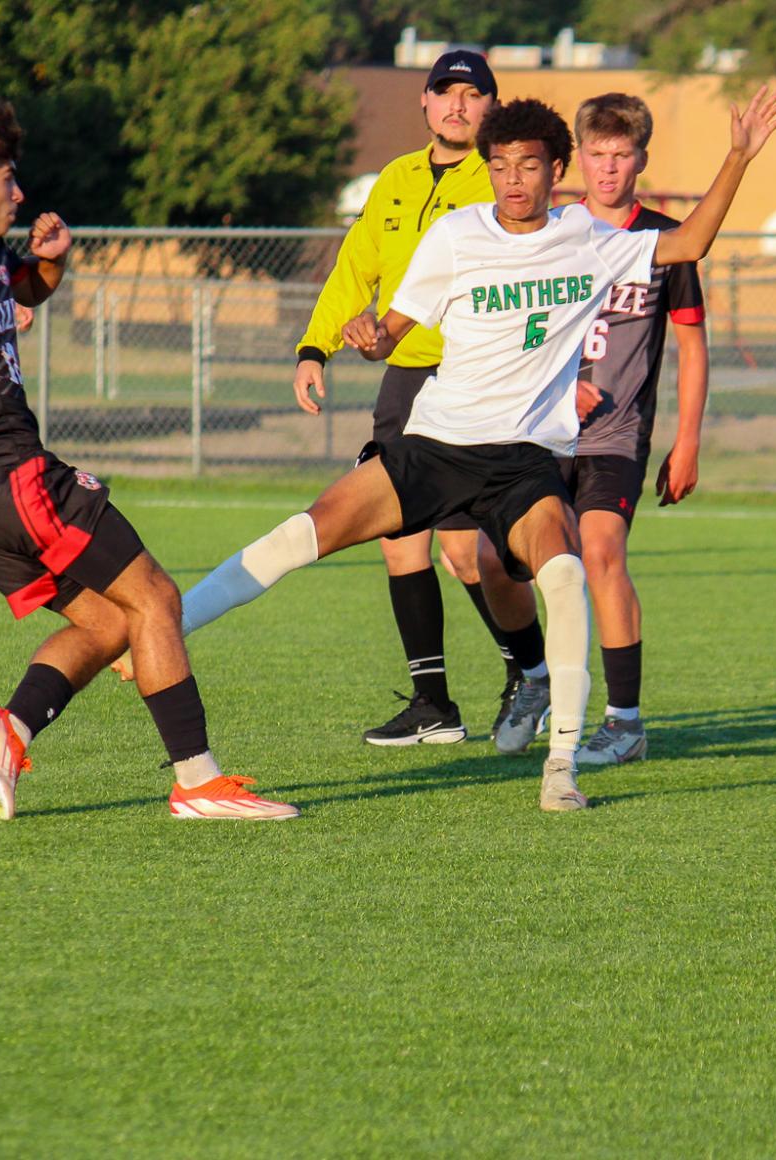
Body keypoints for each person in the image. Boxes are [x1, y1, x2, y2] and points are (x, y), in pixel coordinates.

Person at [177, 90, 776, 812]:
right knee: (300, 534)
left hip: (522, 461)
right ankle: (167, 626)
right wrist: (370, 336)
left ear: (556, 170)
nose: (513, 181)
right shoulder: (458, 234)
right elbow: (396, 329)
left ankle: (561, 769)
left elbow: (689, 244)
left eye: (528, 166)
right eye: (500, 166)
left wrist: (740, 154)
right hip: (434, 446)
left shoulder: (586, 238)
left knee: (563, 574)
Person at [0, 95, 296, 822]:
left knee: (108, 624)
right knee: (157, 598)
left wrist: (52, 263)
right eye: (7, 177)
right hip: (11, 477)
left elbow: (25, 291)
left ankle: (11, 728)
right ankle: (197, 783)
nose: (19, 191)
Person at [290, 49, 544, 748]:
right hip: (403, 381)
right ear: (425, 103)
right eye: (445, 93)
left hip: (471, 381)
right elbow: (354, 269)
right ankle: (433, 702)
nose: (457, 106)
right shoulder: (397, 179)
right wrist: (315, 348)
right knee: (397, 537)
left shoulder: (502, 182)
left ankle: (530, 676)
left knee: (468, 556)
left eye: (472, 95)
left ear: (491, 108)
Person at [489, 93, 712, 767]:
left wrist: (690, 439)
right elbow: (514, 325)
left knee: (601, 553)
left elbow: (693, 346)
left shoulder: (663, 240)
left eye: (622, 156)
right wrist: (553, 381)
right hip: (539, 430)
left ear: (641, 158)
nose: (609, 169)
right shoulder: (554, 230)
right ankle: (532, 677)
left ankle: (625, 721)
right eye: (597, 155)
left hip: (616, 437)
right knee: (489, 561)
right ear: (574, 159)